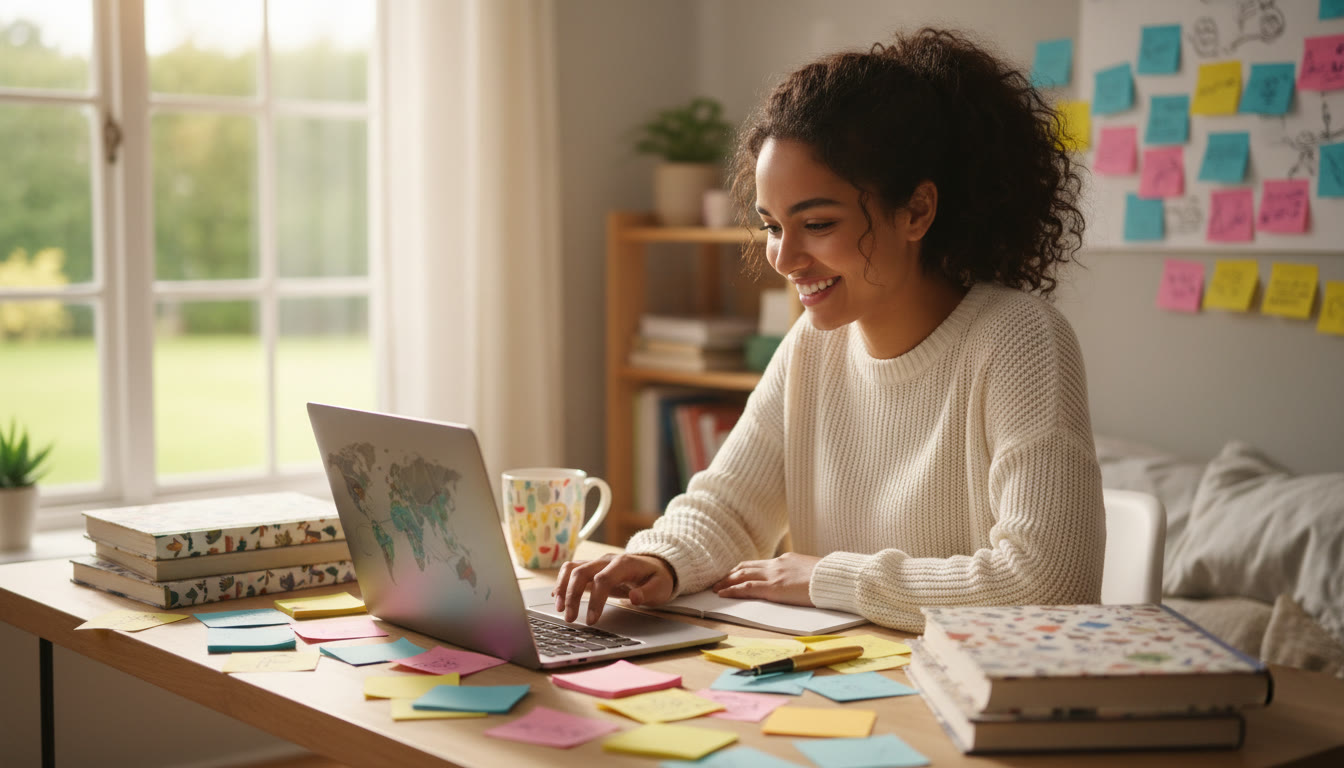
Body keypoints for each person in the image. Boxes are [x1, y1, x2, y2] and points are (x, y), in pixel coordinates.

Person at [556, 28, 1105, 632]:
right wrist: (658, 558)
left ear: (917, 211)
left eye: (816, 223)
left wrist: (827, 578)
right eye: (771, 226)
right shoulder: (814, 344)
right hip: (843, 687)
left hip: (963, 697)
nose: (784, 259)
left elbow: (1050, 583)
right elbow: (730, 507)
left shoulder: (1020, 340)